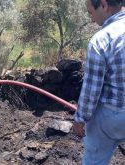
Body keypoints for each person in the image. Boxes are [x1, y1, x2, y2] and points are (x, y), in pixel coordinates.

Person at [73, 0, 125, 164]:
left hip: (112, 115)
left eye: (91, 13)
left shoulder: (101, 39)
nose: (92, 20)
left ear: (103, 5)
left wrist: (80, 119)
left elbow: (91, 91)